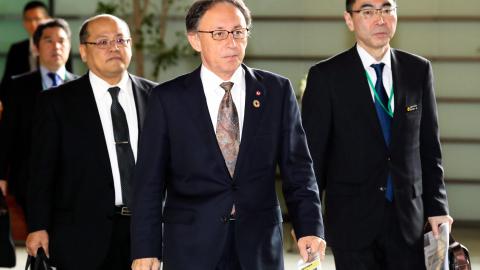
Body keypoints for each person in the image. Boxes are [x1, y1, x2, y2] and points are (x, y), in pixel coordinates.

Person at [131, 1, 325, 269]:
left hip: (259, 244)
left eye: (239, 31)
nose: (232, 42)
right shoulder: (167, 99)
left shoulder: (276, 91)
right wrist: (146, 248)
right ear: (195, 40)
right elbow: (149, 182)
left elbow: (299, 169)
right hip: (191, 246)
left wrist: (310, 226)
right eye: (219, 33)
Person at [301, 0, 453, 269]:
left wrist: (438, 207)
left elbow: (429, 148)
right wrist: (308, 223)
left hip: (410, 220)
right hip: (352, 222)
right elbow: (313, 160)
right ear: (349, 20)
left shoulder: (417, 70)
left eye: (386, 10)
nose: (380, 19)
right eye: (368, 12)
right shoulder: (326, 76)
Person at [25, 14, 156, 270]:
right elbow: (41, 172)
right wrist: (38, 226)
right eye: (103, 42)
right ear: (83, 52)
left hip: (145, 234)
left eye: (121, 40)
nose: (114, 47)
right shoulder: (56, 102)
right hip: (80, 236)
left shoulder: (157, 97)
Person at [0, 18, 77, 213]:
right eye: (48, 40)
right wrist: (2, 175)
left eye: (61, 41)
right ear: (35, 47)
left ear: (70, 45)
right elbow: (7, 132)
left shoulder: (82, 86)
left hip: (73, 180)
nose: (56, 46)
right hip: (29, 178)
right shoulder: (18, 86)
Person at [0, 1, 73, 105]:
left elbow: (68, 76)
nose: (33, 24)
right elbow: (6, 84)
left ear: (47, 19)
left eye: (37, 19)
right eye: (28, 20)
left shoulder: (61, 47)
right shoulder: (17, 49)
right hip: (25, 102)